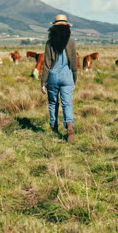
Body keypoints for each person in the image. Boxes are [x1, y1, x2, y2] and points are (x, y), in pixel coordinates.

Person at [41, 14, 78, 142]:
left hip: (52, 77)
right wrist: (74, 78)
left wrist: (43, 83)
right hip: (67, 77)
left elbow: (46, 64)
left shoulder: (49, 43)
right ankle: (69, 124)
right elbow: (74, 62)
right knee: (67, 103)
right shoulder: (71, 42)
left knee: (53, 103)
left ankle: (54, 126)